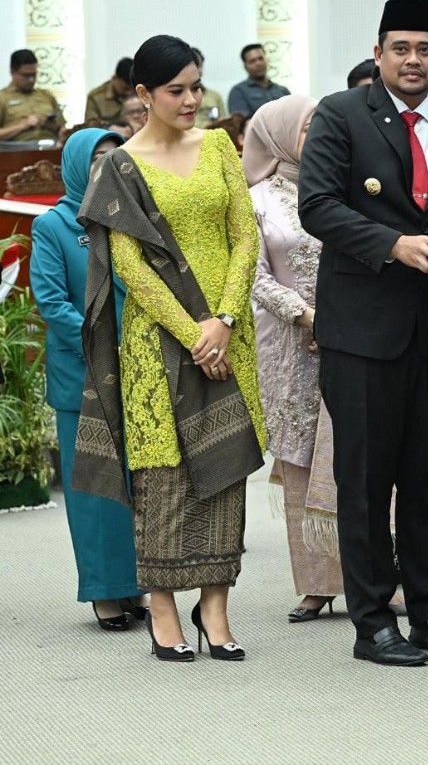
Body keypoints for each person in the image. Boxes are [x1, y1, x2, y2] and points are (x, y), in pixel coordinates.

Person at [298, 0, 428, 666]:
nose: (413, 60)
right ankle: (372, 622)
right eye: (401, 48)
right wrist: (394, 244)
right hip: (362, 329)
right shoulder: (340, 113)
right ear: (380, 52)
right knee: (366, 480)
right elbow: (318, 206)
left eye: (426, 49)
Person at [74, 34, 265, 663]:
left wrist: (226, 320)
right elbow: (128, 263)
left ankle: (215, 608)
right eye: (176, 90)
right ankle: (161, 606)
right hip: (158, 343)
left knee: (224, 469)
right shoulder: (119, 167)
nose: (191, 100)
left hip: (229, 337)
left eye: (196, 86)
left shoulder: (217, 147)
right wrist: (193, 331)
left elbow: (245, 235)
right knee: (164, 474)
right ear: (143, 94)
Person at [29, 128, 147, 630]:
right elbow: (53, 303)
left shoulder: (127, 216)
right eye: (99, 159)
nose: (109, 166)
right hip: (84, 373)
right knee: (95, 489)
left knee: (139, 485)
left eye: (116, 157)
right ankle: (104, 592)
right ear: (79, 165)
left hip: (136, 369)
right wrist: (102, 344)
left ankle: (138, 585)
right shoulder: (53, 226)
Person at [243, 94, 345, 621]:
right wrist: (306, 316)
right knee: (301, 457)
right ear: (281, 134)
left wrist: (340, 318)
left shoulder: (342, 187)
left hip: (352, 333)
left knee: (361, 450)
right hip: (288, 343)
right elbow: (252, 276)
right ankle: (316, 582)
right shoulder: (256, 199)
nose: (320, 135)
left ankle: (378, 576)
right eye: (310, 127)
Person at [0, 50, 64, 142]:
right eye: (26, 75)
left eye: (34, 75)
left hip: (51, 148)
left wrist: (56, 128)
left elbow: (63, 129)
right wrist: (22, 126)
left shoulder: (46, 96)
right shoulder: (2, 98)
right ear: (12, 72)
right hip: (16, 152)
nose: (31, 80)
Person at [228, 44, 290, 118]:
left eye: (261, 58)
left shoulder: (282, 90)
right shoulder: (238, 92)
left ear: (267, 60)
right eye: (252, 61)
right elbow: (241, 123)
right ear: (245, 66)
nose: (258, 63)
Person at [84, 57, 134, 122]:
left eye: (133, 89)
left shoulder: (141, 93)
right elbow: (91, 127)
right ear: (114, 78)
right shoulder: (95, 98)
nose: (129, 93)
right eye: (125, 89)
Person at [191, 48, 225, 127]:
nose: (196, 70)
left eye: (199, 66)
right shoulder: (176, 97)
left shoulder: (215, 96)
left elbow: (223, 124)